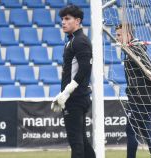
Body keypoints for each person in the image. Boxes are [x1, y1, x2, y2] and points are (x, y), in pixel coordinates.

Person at [51, 5, 95, 158]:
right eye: (62, 19)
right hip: (75, 97)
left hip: (75, 98)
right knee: (82, 141)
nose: (63, 22)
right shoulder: (73, 40)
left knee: (76, 144)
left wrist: (67, 93)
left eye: (67, 19)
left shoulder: (80, 41)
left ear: (78, 21)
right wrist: (62, 93)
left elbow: (84, 70)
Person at [115, 23, 151, 158]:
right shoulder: (130, 48)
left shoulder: (135, 48)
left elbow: (147, 67)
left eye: (119, 35)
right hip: (143, 96)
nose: (117, 38)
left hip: (140, 97)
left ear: (128, 35)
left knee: (132, 130)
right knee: (146, 128)